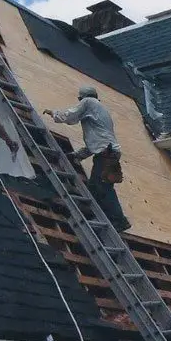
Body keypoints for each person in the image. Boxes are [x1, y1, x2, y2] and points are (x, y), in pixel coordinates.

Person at [43, 86, 131, 232]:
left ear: (82, 98)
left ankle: (119, 220)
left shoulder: (88, 102)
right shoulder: (99, 110)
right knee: (95, 187)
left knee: (102, 186)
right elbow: (96, 142)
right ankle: (100, 217)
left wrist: (54, 113)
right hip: (108, 153)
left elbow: (71, 116)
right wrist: (78, 156)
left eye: (79, 99)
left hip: (106, 154)